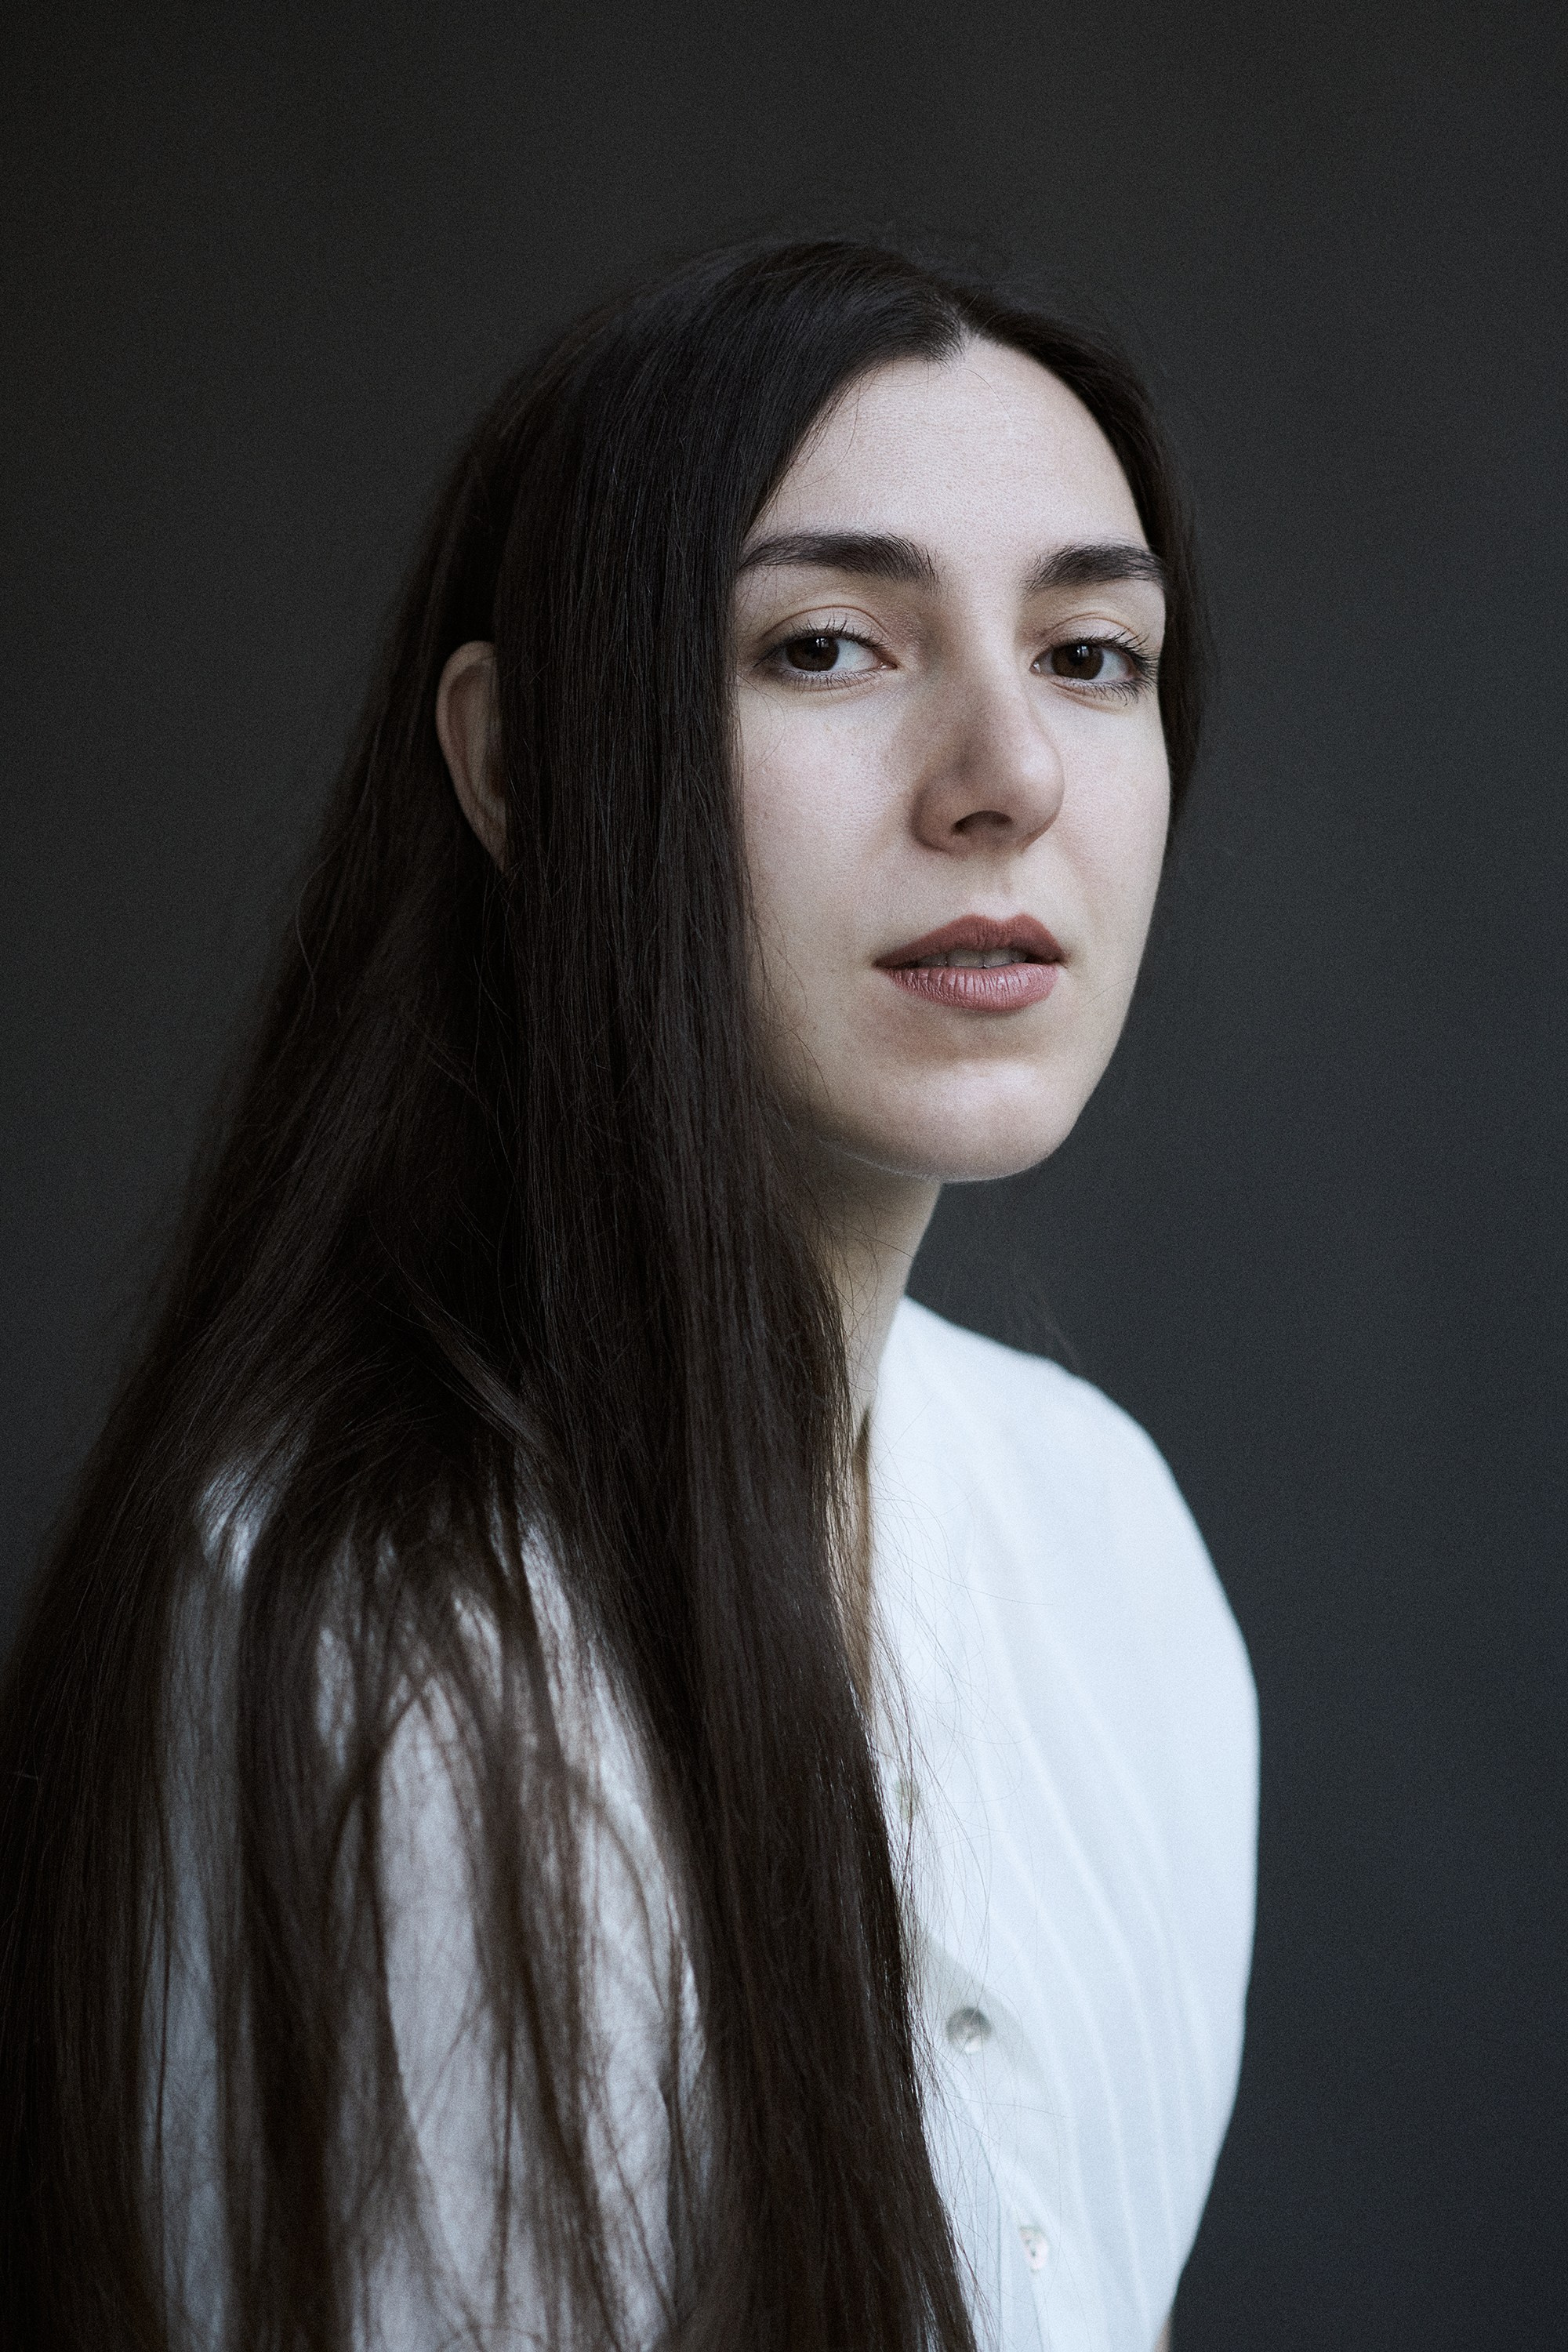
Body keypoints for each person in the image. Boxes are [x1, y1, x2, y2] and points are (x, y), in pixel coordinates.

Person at [0, 239, 1256, 2352]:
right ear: (515, 763)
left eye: (1093, 654)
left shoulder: (1105, 1538)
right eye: (835, 645)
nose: (1006, 775)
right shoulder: (367, 1627)